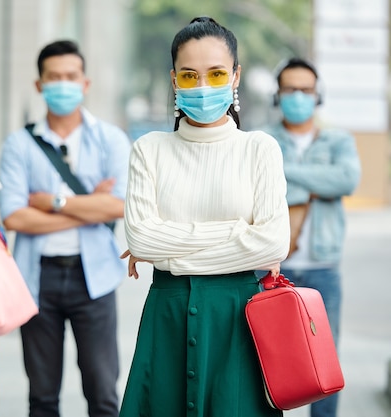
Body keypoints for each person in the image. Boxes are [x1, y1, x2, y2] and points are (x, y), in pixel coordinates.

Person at [119, 17, 290, 417]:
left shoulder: (259, 149)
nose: (202, 86)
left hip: (241, 319)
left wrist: (170, 254)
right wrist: (238, 233)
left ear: (235, 76)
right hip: (168, 316)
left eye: (215, 74)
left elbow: (273, 243)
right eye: (189, 75)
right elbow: (142, 239)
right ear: (174, 79)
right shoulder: (149, 149)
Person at [0, 40, 131, 417]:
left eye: (70, 77)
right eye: (53, 77)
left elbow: (120, 205)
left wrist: (54, 202)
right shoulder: (20, 144)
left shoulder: (110, 140)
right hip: (36, 279)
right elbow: (14, 216)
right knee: (42, 397)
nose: (62, 84)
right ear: (39, 85)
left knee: (103, 393)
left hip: (95, 279)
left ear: (85, 83)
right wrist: (90, 206)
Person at [263, 57, 361, 417]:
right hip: (272, 267)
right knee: (269, 361)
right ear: (278, 95)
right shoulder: (262, 139)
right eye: (290, 89)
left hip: (323, 267)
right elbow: (255, 188)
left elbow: (347, 180)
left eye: (306, 89)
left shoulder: (338, 139)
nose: (298, 96)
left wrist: (286, 177)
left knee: (323, 362)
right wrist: (319, 182)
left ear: (318, 95)